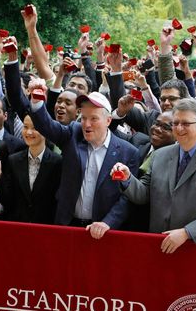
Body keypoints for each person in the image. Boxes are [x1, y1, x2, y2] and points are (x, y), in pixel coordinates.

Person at [114, 98, 196, 253]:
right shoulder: (159, 155)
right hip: (159, 245)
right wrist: (127, 179)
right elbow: (144, 194)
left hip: (195, 248)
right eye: (175, 123)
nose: (179, 128)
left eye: (185, 123)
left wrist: (187, 232)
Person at [28, 89, 139, 239]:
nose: (86, 124)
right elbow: (46, 126)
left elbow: (128, 197)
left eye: (93, 119)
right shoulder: (73, 134)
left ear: (108, 121)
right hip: (67, 226)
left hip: (103, 232)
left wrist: (108, 223)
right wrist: (36, 102)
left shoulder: (128, 152)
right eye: (83, 118)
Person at [0, 115, 62, 224]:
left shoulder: (58, 162)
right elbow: (8, 200)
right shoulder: (13, 160)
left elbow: (58, 202)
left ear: (46, 129)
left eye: (34, 128)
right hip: (18, 225)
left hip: (46, 228)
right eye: (25, 127)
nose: (28, 132)